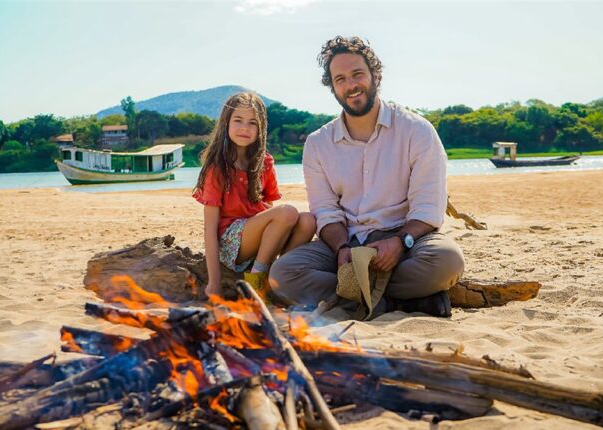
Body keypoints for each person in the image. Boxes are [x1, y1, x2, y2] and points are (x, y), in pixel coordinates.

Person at [270, 36, 465, 317]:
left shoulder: (417, 130)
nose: (351, 85)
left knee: (448, 261)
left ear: (375, 75)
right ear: (333, 87)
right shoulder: (318, 144)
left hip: (404, 238)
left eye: (357, 74)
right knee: (283, 274)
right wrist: (341, 248)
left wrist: (399, 242)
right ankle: (401, 301)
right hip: (346, 244)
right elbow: (325, 211)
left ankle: (355, 297)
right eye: (340, 79)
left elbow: (427, 207)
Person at [193, 92, 316, 300]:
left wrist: (283, 219)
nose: (244, 128)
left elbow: (270, 212)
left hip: (256, 235)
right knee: (287, 212)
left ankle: (277, 277)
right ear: (226, 123)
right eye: (238, 120)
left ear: (260, 129)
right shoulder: (217, 168)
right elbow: (210, 228)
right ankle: (256, 280)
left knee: (308, 221)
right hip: (230, 243)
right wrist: (214, 283)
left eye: (252, 123)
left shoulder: (264, 163)